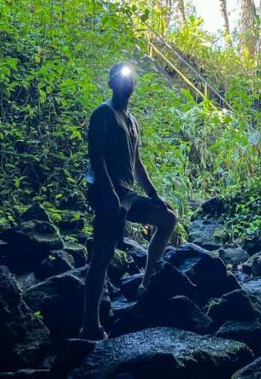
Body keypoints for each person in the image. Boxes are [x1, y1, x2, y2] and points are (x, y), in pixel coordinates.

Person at [79, 62, 178, 340]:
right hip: (105, 191)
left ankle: (145, 285)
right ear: (111, 83)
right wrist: (109, 193)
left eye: (130, 78)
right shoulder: (103, 113)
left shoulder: (132, 122)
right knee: (104, 253)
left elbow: (137, 163)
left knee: (168, 218)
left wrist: (155, 195)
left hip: (127, 195)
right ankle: (89, 324)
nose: (127, 83)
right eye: (121, 78)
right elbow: (96, 157)